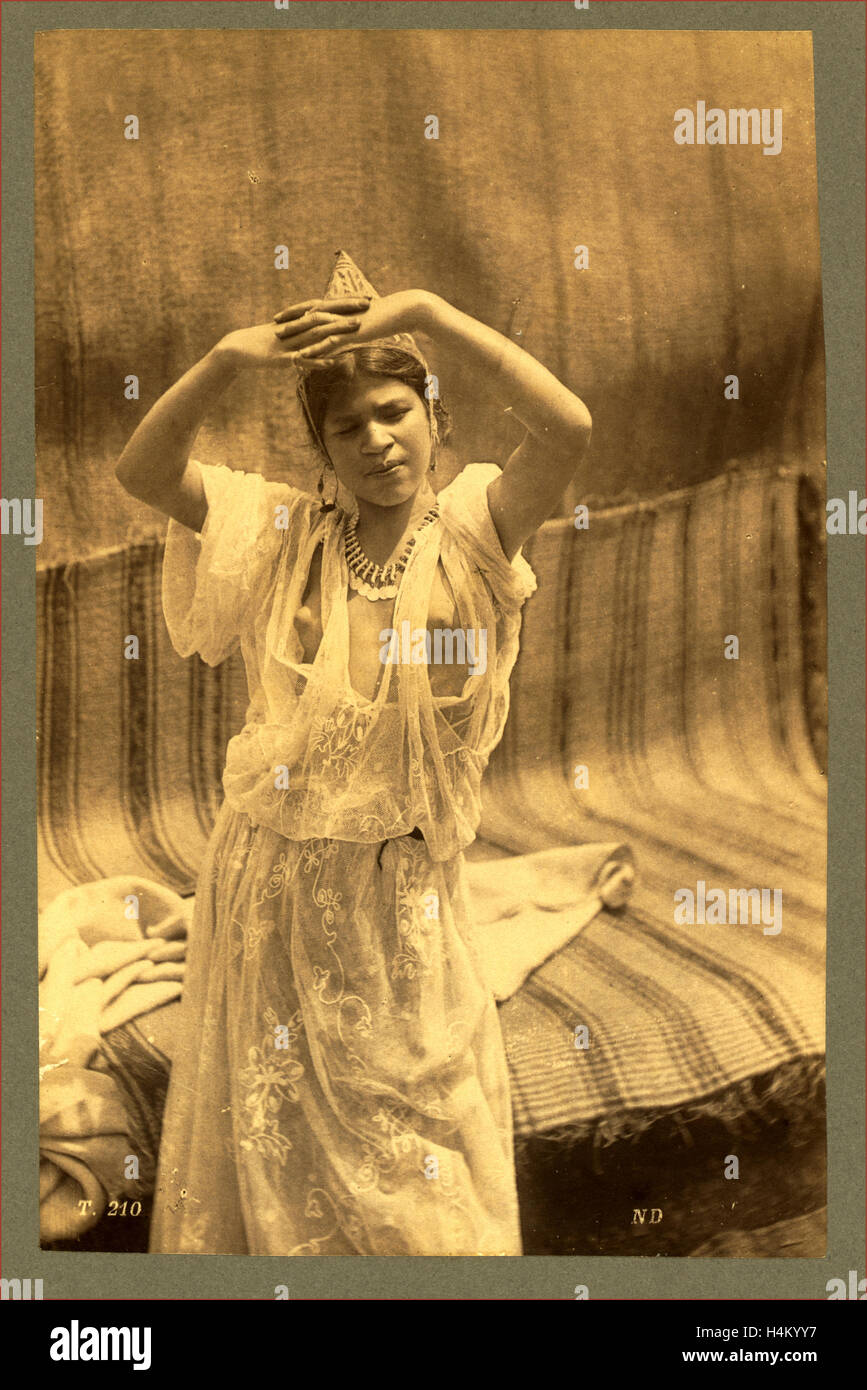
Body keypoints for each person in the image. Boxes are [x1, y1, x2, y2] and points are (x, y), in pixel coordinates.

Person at [116, 252, 592, 1256]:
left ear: (435, 417)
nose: (378, 442)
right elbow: (143, 473)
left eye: (396, 410)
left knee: (430, 1200)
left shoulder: (477, 527)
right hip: (269, 891)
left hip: (403, 901)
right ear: (323, 448)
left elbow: (569, 426)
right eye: (349, 426)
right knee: (273, 1195)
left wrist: (427, 311)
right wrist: (223, 357)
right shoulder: (285, 532)